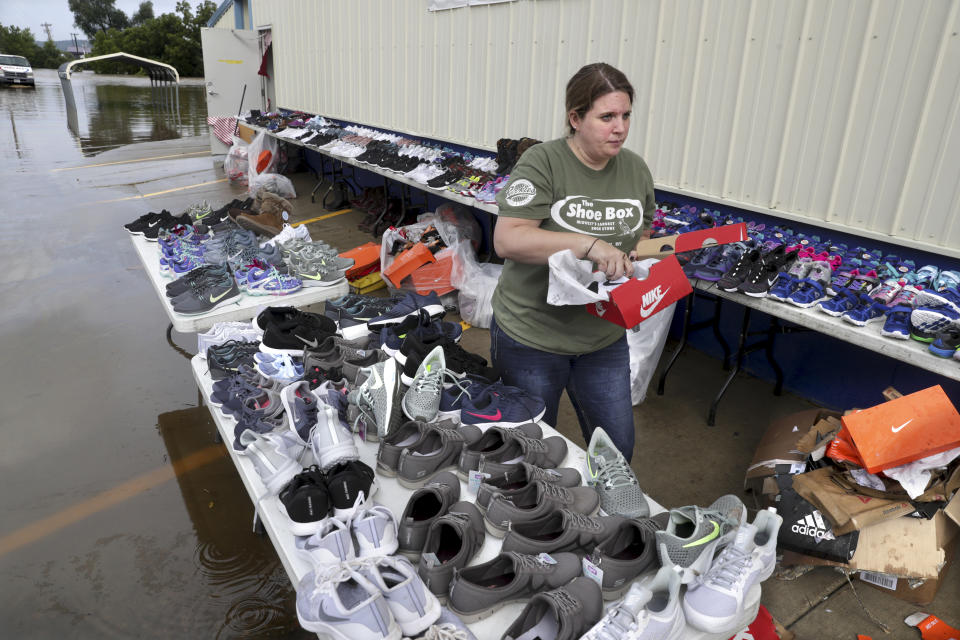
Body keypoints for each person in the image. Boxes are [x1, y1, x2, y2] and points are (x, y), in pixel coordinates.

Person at [490, 62, 656, 461]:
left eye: (626, 115)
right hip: (533, 337)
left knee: (615, 452)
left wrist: (635, 260)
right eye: (607, 117)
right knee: (531, 450)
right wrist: (589, 245)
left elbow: (642, 229)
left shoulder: (634, 169)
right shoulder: (542, 163)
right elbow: (507, 239)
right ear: (575, 118)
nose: (620, 127)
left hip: (602, 337)